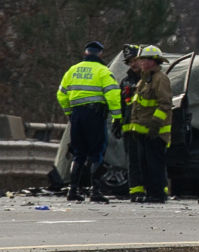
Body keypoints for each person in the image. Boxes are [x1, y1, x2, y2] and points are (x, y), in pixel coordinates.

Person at [56, 41, 121, 202]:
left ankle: (72, 190)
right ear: (99, 54)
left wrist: (69, 113)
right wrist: (117, 116)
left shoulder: (73, 70)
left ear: (85, 53)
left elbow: (61, 94)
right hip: (95, 115)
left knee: (79, 154)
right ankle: (95, 191)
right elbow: (112, 94)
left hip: (77, 116)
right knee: (96, 153)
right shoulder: (103, 71)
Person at [127, 45, 173, 203]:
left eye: (144, 59)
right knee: (144, 165)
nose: (140, 62)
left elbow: (165, 104)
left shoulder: (160, 79)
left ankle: (158, 194)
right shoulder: (144, 80)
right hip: (142, 131)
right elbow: (137, 105)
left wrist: (155, 124)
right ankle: (150, 193)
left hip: (155, 132)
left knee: (155, 165)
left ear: (153, 61)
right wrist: (133, 126)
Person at [118, 44, 145, 202]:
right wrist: (117, 122)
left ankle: (153, 190)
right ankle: (135, 191)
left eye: (135, 60)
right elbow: (121, 105)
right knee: (133, 162)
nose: (133, 64)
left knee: (147, 161)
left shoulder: (150, 80)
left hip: (146, 129)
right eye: (130, 61)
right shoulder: (125, 82)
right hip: (129, 130)